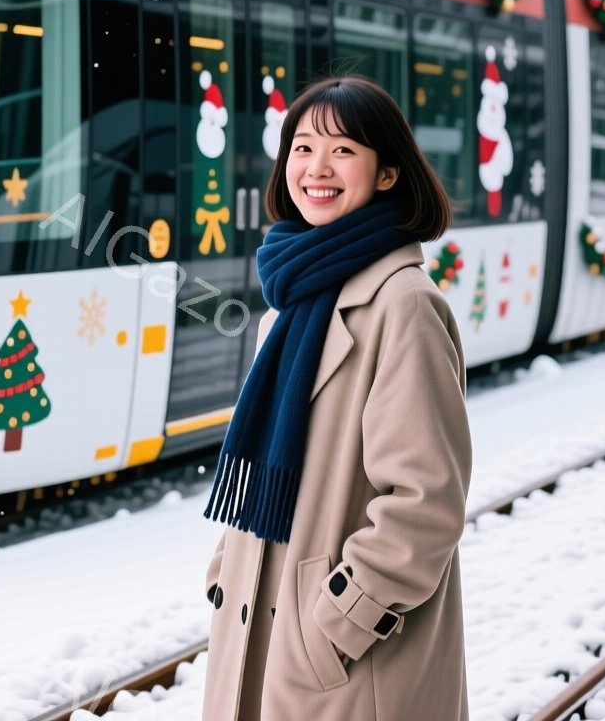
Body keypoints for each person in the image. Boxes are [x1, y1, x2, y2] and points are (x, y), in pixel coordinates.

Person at [201, 75, 472, 720]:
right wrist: (228, 570)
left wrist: (341, 622)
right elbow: (268, 470)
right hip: (264, 624)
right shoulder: (293, 300)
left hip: (346, 662)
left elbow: (425, 502)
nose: (316, 168)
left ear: (387, 173)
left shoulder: (403, 305)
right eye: (302, 148)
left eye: (343, 150)